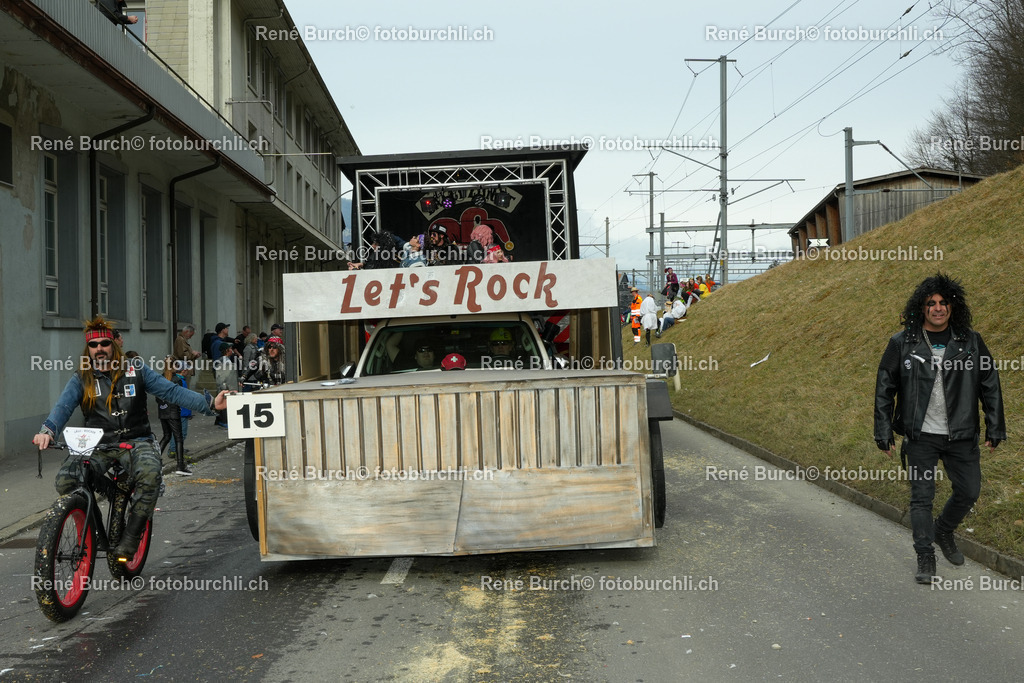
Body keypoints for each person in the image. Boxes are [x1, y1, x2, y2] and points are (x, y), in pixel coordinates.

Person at [32, 317, 228, 558]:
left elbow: (172, 391)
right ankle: (100, 512)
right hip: (98, 444)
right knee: (66, 480)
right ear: (88, 349)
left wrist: (210, 403)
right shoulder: (82, 377)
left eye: (104, 343)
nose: (99, 349)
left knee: (149, 475)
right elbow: (62, 408)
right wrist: (47, 432)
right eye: (94, 345)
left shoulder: (136, 369)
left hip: (137, 441)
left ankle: (132, 536)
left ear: (114, 345)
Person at [874, 274, 1005, 584]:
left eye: (943, 302)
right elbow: (884, 387)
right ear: (921, 308)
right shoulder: (902, 342)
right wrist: (883, 430)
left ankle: (943, 530)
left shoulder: (971, 341)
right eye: (931, 303)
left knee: (969, 491)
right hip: (921, 436)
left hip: (961, 434)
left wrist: (994, 425)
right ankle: (925, 555)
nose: (937, 308)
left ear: (952, 306)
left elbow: (990, 384)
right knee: (922, 498)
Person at [156, 357, 190, 476]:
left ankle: (154, 461)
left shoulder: (160, 377)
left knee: (166, 436)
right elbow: (181, 397)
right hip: (173, 411)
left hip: (162, 410)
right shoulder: (176, 379)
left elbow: (157, 396)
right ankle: (180, 465)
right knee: (178, 438)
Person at [209, 323, 238, 427]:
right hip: (223, 377)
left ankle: (220, 419)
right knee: (223, 397)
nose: (228, 329)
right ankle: (222, 420)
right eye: (226, 328)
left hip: (224, 375)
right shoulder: (218, 344)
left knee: (222, 397)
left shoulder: (220, 343)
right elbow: (220, 366)